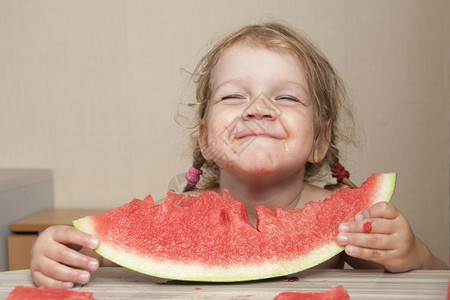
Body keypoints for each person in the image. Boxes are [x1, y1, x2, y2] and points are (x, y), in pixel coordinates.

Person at [30, 22, 447, 289]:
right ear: (205, 139)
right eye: (233, 96)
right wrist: (57, 253)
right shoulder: (184, 211)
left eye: (286, 96)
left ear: (320, 141)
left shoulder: (348, 221)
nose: (259, 107)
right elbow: (98, 253)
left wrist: (413, 254)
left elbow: (432, 277)